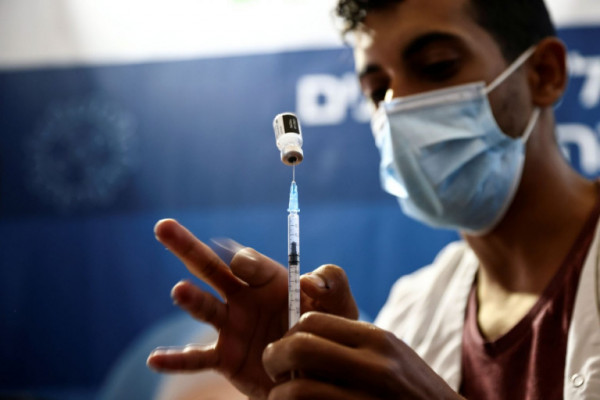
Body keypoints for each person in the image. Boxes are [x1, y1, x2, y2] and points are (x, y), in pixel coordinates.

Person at [147, 0, 600, 398]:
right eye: (377, 91)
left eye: (438, 66)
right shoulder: (412, 313)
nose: (397, 106)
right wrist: (309, 384)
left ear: (544, 74)